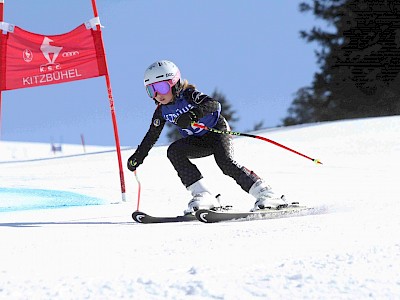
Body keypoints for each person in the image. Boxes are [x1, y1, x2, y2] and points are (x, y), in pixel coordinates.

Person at [127, 60, 288, 214]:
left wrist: (192, 115)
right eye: (150, 90)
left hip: (217, 132)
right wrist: (138, 156)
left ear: (175, 83)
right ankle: (203, 196)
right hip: (199, 141)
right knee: (174, 151)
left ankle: (267, 194)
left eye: (161, 87)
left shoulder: (188, 95)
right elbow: (151, 136)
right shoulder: (161, 111)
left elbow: (214, 105)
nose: (157, 95)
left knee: (225, 162)